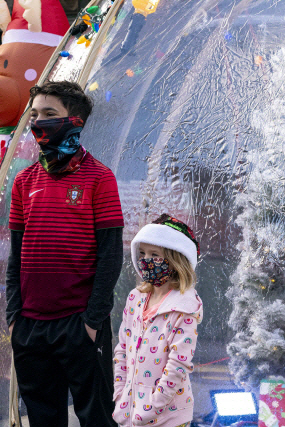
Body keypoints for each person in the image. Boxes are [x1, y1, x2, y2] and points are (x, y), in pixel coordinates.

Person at [6, 80, 124, 426]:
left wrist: (91, 321)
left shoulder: (100, 178)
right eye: (34, 114)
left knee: (97, 417)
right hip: (30, 326)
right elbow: (17, 257)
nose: (38, 122)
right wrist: (15, 318)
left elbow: (110, 256)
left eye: (49, 114)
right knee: (43, 419)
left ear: (75, 122)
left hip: (80, 325)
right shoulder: (24, 182)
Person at [112, 214, 203, 427]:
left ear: (175, 260)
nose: (146, 260)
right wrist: (120, 394)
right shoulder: (135, 298)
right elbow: (122, 349)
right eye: (142, 253)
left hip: (168, 417)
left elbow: (178, 364)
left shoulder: (185, 308)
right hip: (130, 412)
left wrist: (153, 405)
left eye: (155, 254)